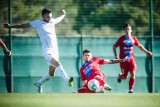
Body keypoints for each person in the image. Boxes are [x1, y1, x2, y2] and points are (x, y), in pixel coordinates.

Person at [3, 8, 74, 93]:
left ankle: (39, 83)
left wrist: (63, 14)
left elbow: (59, 18)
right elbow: (24, 25)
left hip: (55, 51)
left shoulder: (52, 21)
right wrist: (11, 26)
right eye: (47, 16)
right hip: (47, 51)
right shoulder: (38, 23)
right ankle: (67, 79)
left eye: (50, 16)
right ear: (43, 16)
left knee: (51, 74)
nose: (49, 18)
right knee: (57, 63)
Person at [113, 24, 153, 93]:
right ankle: (120, 76)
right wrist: (116, 55)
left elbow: (139, 45)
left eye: (128, 29)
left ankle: (130, 90)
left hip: (131, 60)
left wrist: (147, 52)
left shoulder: (133, 38)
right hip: (123, 61)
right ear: (124, 30)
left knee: (133, 74)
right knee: (125, 77)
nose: (127, 30)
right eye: (126, 29)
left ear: (131, 30)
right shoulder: (121, 39)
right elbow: (114, 46)